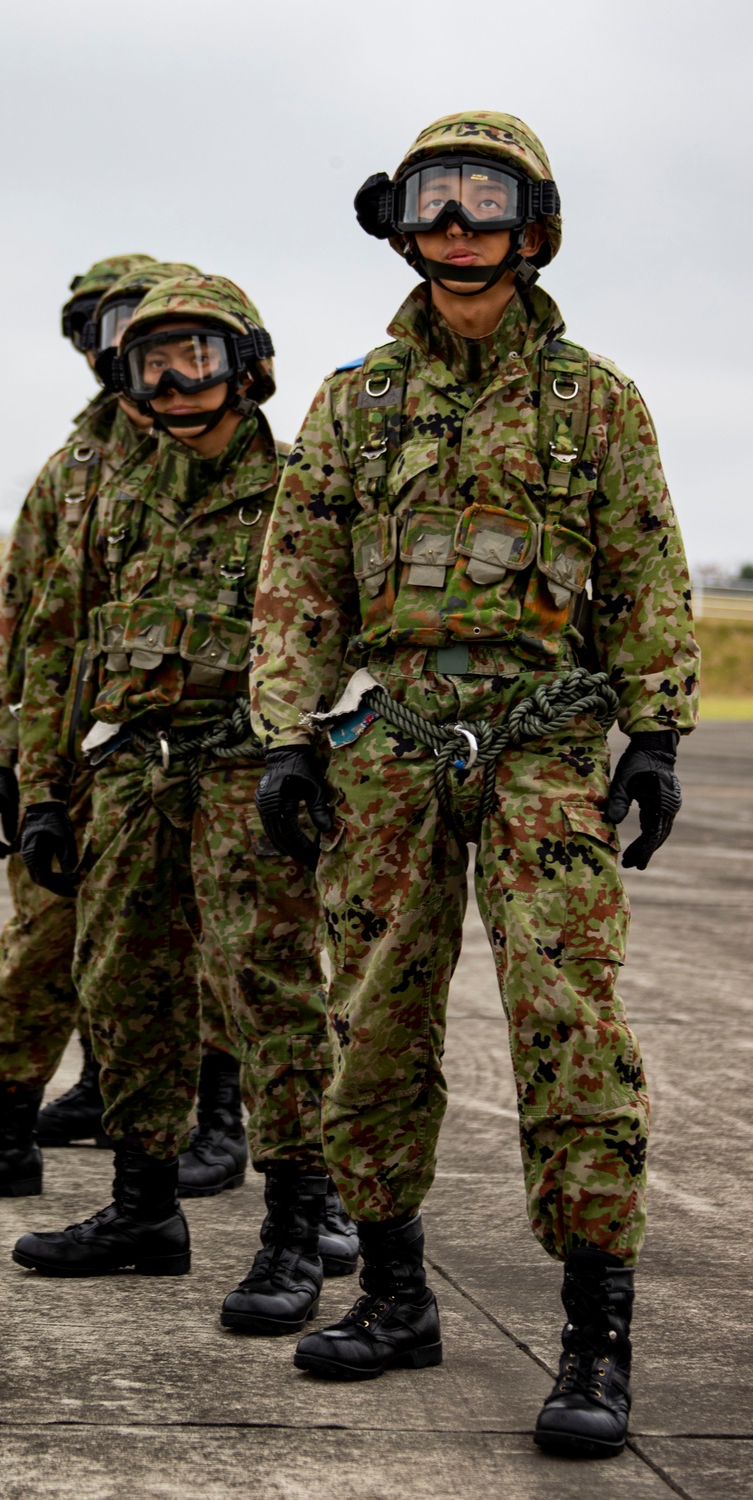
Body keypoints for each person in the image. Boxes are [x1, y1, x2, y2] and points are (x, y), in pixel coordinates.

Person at [249, 112, 699, 1455]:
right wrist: (286, 734)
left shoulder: (595, 401)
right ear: (399, 221)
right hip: (389, 752)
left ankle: (595, 1341)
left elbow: (649, 570)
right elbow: (300, 578)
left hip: (543, 751)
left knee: (571, 1034)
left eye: (482, 199)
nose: (455, 223)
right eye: (432, 198)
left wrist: (659, 733)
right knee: (372, 1020)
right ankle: (393, 1295)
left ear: (533, 224)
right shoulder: (354, 402)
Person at [11, 274, 358, 1328]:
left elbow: (345, 644)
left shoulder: (304, 488)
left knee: (271, 1000)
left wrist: (318, 765)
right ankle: (142, 1211)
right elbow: (59, 648)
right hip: (130, 776)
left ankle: (297, 1229)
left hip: (252, 773)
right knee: (122, 988)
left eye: (195, 354)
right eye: (149, 358)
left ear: (246, 364)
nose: (172, 378)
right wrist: (41, 789)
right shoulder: (115, 493)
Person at [0, 253, 166, 1201]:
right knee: (40, 937)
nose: (122, 344)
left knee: (211, 955)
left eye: (138, 319)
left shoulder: (233, 457)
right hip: (71, 750)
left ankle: (212, 1128)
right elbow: (22, 623)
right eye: (99, 328)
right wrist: (1, 760)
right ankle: (10, 1134)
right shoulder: (75, 468)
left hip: (189, 753)